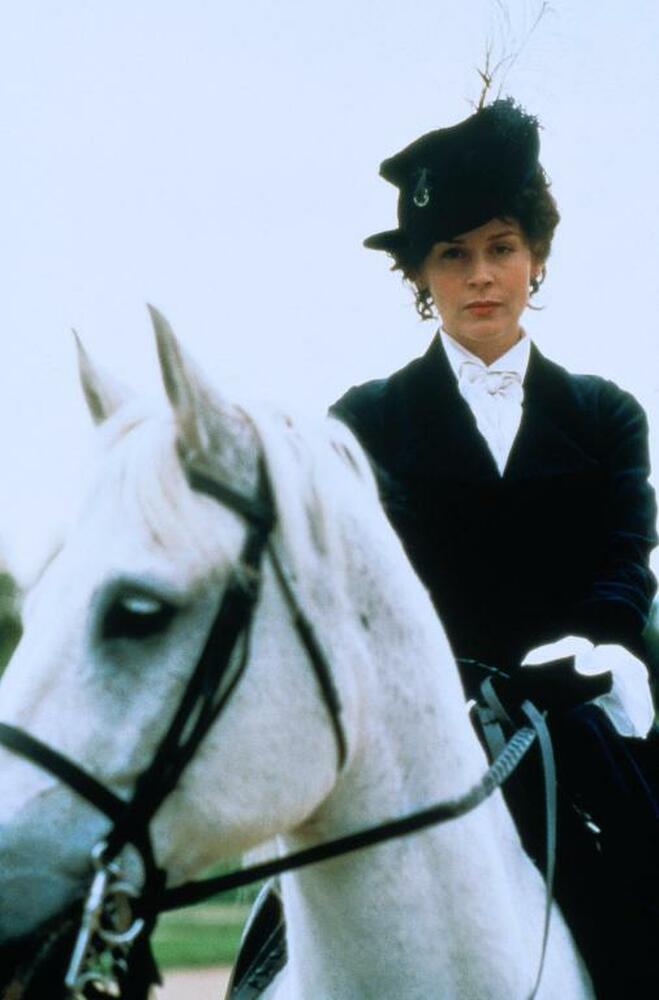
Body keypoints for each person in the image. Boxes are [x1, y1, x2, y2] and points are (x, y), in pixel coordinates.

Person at [330, 98, 658, 997]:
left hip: (573, 709)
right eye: (451, 254)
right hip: (420, 714)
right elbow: (360, 581)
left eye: (501, 247)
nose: (480, 276)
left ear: (535, 257)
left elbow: (626, 556)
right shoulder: (364, 420)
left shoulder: (605, 414)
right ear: (419, 274)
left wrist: (593, 643)